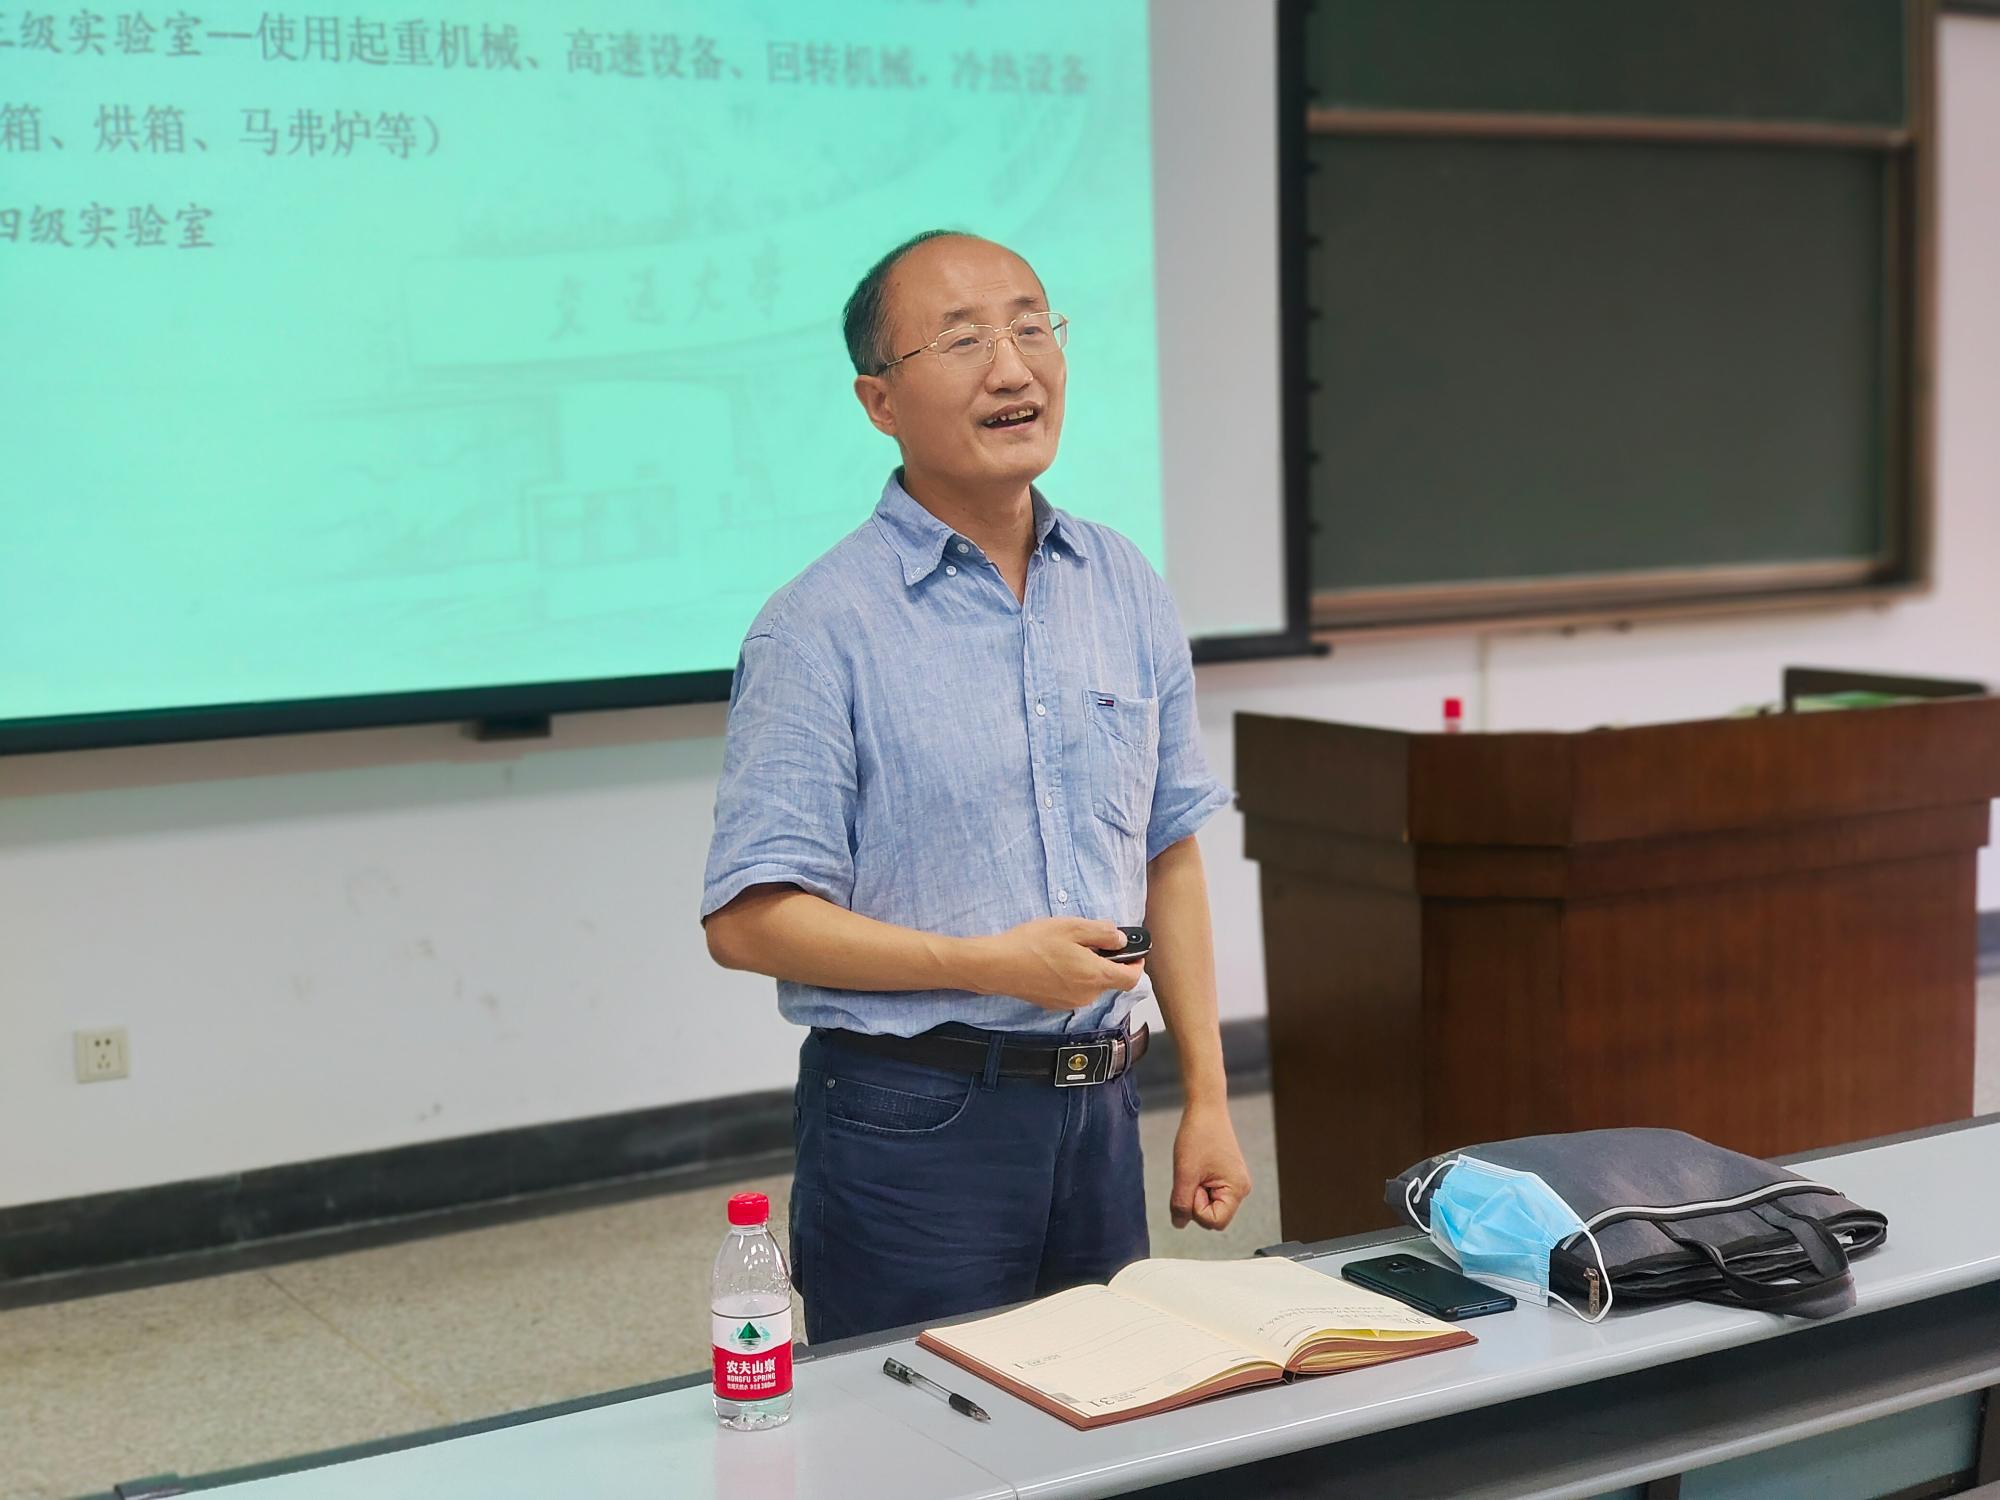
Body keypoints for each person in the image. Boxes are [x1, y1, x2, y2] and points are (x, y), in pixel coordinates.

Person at [701, 229, 1249, 1343]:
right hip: (913, 1122)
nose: (1012, 366)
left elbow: (1168, 852)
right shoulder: (818, 626)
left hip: (1101, 1110)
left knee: (1105, 1404)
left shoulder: (1123, 584)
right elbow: (747, 921)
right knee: (917, 1423)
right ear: (879, 402)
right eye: (961, 341)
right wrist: (986, 966)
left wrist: (1206, 1097)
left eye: (1031, 326)